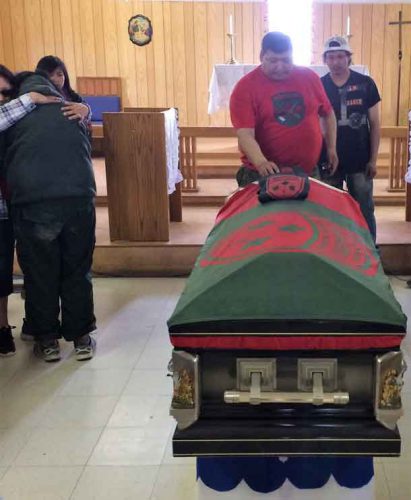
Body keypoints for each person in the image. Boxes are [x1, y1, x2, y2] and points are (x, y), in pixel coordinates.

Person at [0, 70, 97, 362]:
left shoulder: (13, 118)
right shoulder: (69, 108)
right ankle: (81, 337)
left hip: (33, 201)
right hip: (79, 196)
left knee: (40, 273)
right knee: (77, 270)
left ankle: (47, 340)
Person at [0, 65, 61, 356]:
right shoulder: (17, 108)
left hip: (14, 203)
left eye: (6, 93)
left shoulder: (17, 115)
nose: (2, 99)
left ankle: (18, 326)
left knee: (13, 269)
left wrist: (85, 110)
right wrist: (27, 100)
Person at [229, 31, 338, 187]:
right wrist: (261, 163)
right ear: (261, 57)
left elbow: (327, 113)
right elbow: (245, 134)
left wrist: (332, 148)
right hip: (262, 173)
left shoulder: (309, 78)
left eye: (286, 60)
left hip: (307, 171)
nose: (280, 67)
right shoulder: (245, 88)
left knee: (307, 213)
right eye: (273, 61)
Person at [320, 36, 381, 243]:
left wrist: (373, 159)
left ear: (348, 58)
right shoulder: (319, 86)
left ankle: (369, 253)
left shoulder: (365, 84)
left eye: (340, 56)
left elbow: (375, 124)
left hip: (359, 157)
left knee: (364, 208)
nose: (335, 62)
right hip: (329, 158)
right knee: (330, 210)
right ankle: (335, 255)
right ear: (325, 60)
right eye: (331, 57)